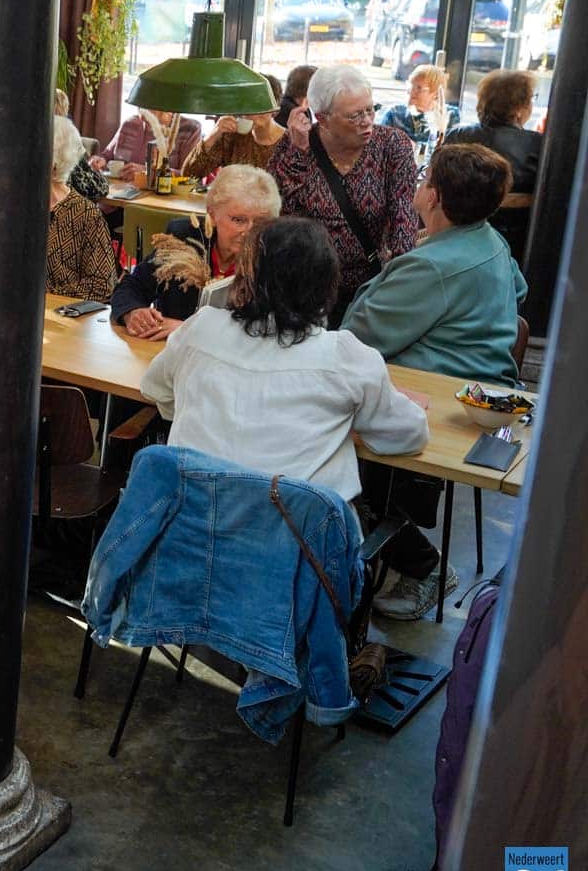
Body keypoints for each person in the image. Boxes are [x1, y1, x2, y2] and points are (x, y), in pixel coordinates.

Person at [141, 218, 436, 611]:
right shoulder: (345, 357)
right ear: (327, 286)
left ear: (245, 281)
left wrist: (202, 405)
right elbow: (407, 435)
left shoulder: (201, 329)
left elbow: (155, 389)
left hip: (192, 555)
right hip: (297, 576)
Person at [342, 144, 525, 383]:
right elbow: (519, 290)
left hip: (434, 389)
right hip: (477, 383)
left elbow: (357, 341)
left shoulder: (428, 267)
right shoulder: (492, 239)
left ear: (433, 197)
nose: (419, 183)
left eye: (425, 178)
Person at [268, 65, 419, 324]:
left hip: (368, 289)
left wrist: (398, 285)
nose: (367, 121)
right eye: (354, 116)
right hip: (302, 285)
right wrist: (298, 153)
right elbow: (278, 214)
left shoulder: (392, 145)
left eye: (370, 110)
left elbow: (404, 217)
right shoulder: (296, 143)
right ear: (322, 118)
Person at [111, 165, 281, 339]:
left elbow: (272, 327)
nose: (249, 231)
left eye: (260, 222)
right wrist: (133, 312)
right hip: (172, 351)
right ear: (212, 215)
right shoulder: (184, 239)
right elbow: (132, 286)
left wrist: (188, 328)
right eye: (239, 220)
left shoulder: (273, 257)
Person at [444, 68, 543, 258]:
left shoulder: (458, 136)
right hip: (518, 246)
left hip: (460, 241)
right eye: (531, 99)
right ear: (519, 109)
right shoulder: (539, 145)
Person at [47, 117, 120, 302]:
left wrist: (46, 294)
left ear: (54, 162)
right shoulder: (13, 208)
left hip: (63, 314)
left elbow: (102, 285)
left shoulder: (85, 215)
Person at [181, 109, 284, 180]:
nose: (248, 112)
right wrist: (213, 135)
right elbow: (189, 175)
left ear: (274, 109)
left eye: (259, 105)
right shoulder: (231, 136)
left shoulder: (289, 143)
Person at [95, 106, 202, 174]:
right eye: (139, 105)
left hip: (160, 201)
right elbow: (107, 156)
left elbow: (189, 175)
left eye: (147, 105)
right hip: (118, 197)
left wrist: (148, 172)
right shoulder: (130, 124)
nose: (141, 114)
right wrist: (99, 161)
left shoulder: (190, 130)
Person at [381, 63, 450, 147]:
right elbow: (380, 146)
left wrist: (441, 131)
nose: (411, 91)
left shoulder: (449, 116)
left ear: (435, 93)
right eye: (410, 86)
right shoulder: (394, 114)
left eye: (418, 88)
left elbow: (448, 151)